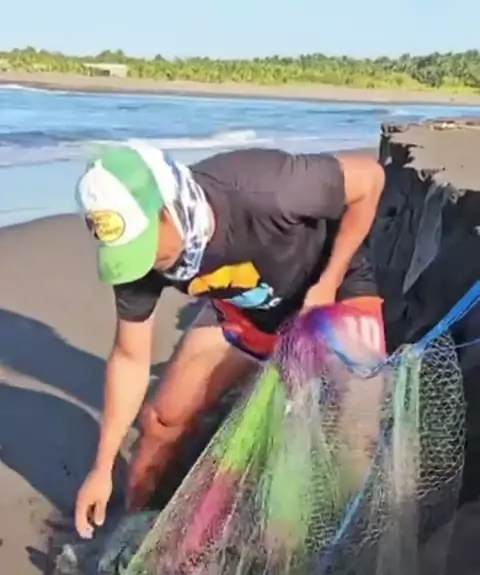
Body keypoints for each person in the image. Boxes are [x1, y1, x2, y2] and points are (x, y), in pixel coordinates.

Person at [74, 141, 385, 539]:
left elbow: (370, 179)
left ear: (170, 208)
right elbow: (130, 358)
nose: (144, 262)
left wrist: (329, 281)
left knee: (353, 441)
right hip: (246, 310)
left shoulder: (268, 188)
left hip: (333, 296)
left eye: (145, 245)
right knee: (160, 422)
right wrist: (101, 469)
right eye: (130, 253)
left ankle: (350, 547)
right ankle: (141, 533)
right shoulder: (134, 262)